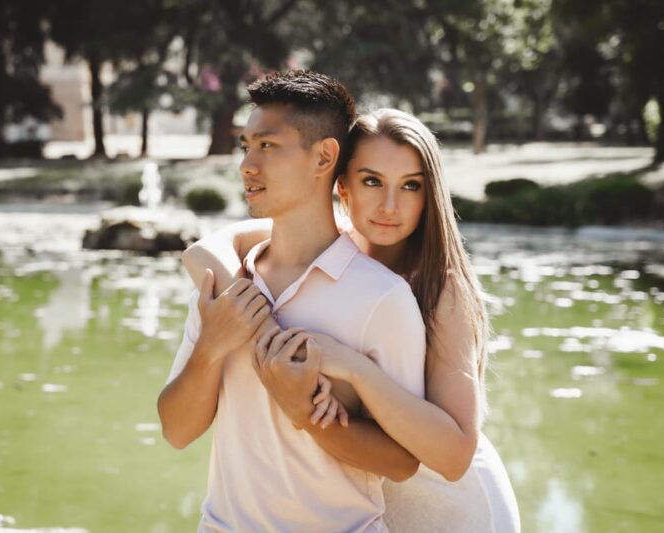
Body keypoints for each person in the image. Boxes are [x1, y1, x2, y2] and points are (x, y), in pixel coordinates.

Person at [182, 108, 521, 532]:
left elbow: (454, 458)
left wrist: (353, 368)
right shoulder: (333, 246)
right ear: (343, 185)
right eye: (372, 181)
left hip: (449, 509)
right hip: (370, 502)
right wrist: (271, 340)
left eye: (411, 185)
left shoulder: (442, 287)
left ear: (429, 194)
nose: (390, 206)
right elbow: (203, 253)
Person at [157, 71, 430, 531]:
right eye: (246, 146)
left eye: (268, 146)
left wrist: (305, 413)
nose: (247, 165)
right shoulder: (227, 284)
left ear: (324, 157)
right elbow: (176, 431)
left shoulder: (383, 297)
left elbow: (402, 462)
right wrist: (211, 347)